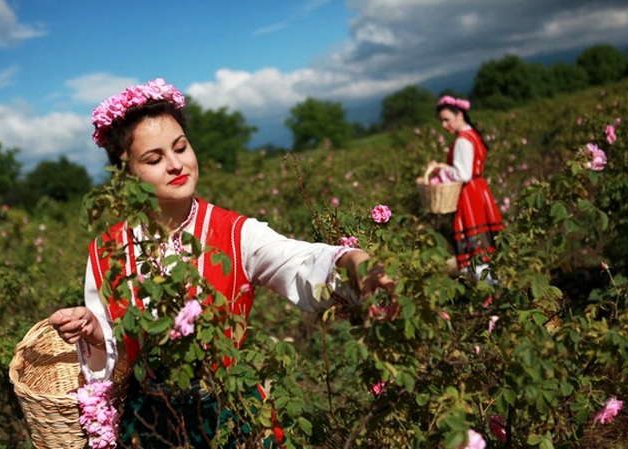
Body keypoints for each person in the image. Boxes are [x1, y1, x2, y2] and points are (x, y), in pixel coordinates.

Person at [48, 78, 395, 448]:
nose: (175, 164)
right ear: (127, 173)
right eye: (154, 158)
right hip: (150, 421)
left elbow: (300, 260)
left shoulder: (233, 233)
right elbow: (115, 348)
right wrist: (95, 330)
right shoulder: (107, 252)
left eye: (180, 147)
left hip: (230, 412)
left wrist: (355, 263)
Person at [429, 95, 504, 282]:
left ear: (459, 114)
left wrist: (441, 170)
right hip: (480, 190)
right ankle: (492, 284)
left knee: (475, 241)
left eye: (447, 119)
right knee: (485, 241)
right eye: (442, 121)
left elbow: (463, 174)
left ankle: (486, 287)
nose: (444, 125)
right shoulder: (472, 134)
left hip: (469, 194)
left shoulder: (463, 140)